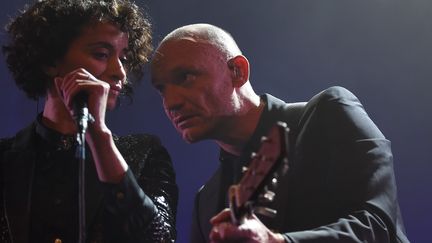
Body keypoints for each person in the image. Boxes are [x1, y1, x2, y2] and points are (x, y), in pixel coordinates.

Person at [150, 23, 409, 243]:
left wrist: (277, 241)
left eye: (186, 77)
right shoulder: (205, 202)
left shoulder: (329, 113)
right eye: (162, 89)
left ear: (237, 71)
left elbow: (379, 226)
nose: (171, 102)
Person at [0, 0, 178, 242]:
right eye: (101, 54)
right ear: (50, 60)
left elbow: (161, 238)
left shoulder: (146, 154)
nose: (120, 72)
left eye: (124, 59)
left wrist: (97, 134)